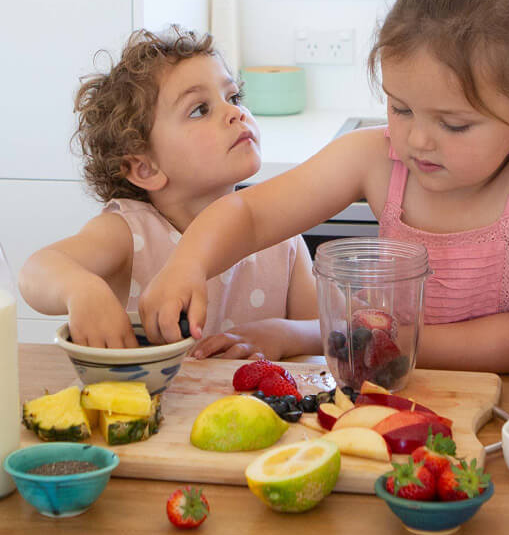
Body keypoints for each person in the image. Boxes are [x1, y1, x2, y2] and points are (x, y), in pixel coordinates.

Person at [139, 0, 509, 373]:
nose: (416, 140)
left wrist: (342, 337)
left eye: (453, 124)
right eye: (400, 109)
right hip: (391, 384)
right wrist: (189, 263)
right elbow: (252, 214)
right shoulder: (377, 157)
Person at [19, 28, 320, 359]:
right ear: (145, 167)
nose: (235, 112)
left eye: (233, 97)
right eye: (200, 109)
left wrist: (282, 334)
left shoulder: (279, 233)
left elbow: (326, 331)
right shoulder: (129, 233)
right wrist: (81, 289)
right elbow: (37, 269)